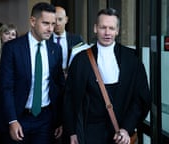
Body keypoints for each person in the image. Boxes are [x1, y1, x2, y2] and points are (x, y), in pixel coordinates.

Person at [63, 8, 151, 144]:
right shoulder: (80, 60)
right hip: (89, 133)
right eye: (103, 27)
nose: (107, 32)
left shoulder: (131, 59)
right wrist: (72, 131)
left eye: (111, 28)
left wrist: (127, 128)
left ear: (117, 30)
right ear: (95, 28)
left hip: (120, 133)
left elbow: (140, 99)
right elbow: (69, 98)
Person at [0, 2, 65, 144]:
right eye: (46, 23)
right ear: (33, 21)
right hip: (19, 118)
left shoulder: (55, 50)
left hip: (45, 119)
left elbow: (58, 85)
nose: (50, 29)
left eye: (53, 24)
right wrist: (12, 120)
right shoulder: (12, 48)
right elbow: (5, 87)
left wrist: (59, 120)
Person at [0, 23, 18, 144]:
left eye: (13, 34)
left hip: (13, 96)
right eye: (7, 33)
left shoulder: (18, 53)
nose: (10, 37)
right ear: (0, 35)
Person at [49, 6, 84, 77]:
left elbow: (83, 61)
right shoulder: (46, 40)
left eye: (60, 19)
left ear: (66, 20)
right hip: (52, 79)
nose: (57, 23)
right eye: (54, 20)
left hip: (71, 79)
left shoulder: (76, 39)